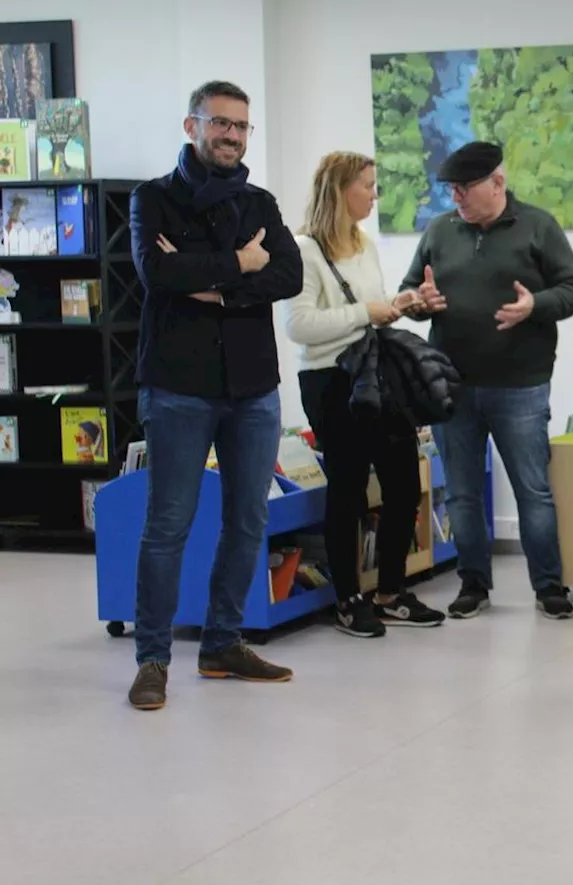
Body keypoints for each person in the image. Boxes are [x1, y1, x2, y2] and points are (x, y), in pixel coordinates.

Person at [126, 80, 302, 711]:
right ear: (191, 125)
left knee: (248, 518)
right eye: (220, 123)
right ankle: (152, 660)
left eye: (241, 126)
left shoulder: (260, 201)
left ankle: (222, 644)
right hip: (178, 385)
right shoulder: (154, 199)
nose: (231, 135)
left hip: (253, 387)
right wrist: (240, 263)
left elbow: (289, 273)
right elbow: (159, 273)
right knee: (167, 525)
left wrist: (217, 283)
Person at [396, 142, 573, 620]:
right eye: (452, 190)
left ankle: (548, 585)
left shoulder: (538, 226)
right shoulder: (440, 231)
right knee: (461, 492)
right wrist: (419, 300)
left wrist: (534, 306)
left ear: (497, 183)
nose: (456, 198)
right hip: (451, 386)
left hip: (520, 385)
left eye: (465, 188)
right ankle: (473, 583)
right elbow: (407, 289)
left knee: (532, 490)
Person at [284, 151, 444, 638]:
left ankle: (390, 591)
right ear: (339, 190)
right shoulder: (305, 249)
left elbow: (372, 310)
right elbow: (299, 326)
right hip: (331, 382)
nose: (375, 194)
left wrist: (402, 305)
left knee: (401, 485)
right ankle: (349, 600)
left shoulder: (365, 243)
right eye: (367, 186)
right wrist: (368, 314)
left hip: (377, 376)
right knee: (348, 491)